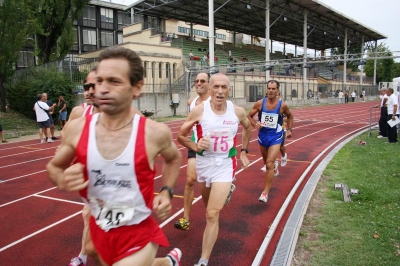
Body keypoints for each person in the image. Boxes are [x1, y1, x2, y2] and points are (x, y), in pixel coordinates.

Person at [47, 46, 182, 266]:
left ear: (137, 87)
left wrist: (166, 192)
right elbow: (53, 167)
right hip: (99, 227)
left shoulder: (154, 133)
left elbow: (174, 158)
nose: (102, 89)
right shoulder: (76, 129)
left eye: (114, 81)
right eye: (99, 81)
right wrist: (61, 178)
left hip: (138, 231)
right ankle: (166, 263)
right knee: (92, 251)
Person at [177, 73, 251, 266]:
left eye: (224, 87)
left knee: (212, 213)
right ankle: (223, 195)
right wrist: (195, 146)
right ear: (210, 89)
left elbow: (248, 127)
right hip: (204, 164)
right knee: (209, 209)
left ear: (229, 90)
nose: (219, 91)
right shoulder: (199, 111)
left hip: (225, 164)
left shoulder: (237, 111)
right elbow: (181, 136)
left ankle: (203, 260)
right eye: (216, 87)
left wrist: (244, 151)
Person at [174, 73, 212, 231]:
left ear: (209, 84)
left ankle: (212, 213)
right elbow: (188, 125)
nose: (199, 83)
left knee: (208, 185)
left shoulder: (215, 101)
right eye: (196, 81)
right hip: (196, 146)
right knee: (190, 180)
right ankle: (186, 219)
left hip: (213, 148)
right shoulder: (192, 102)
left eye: (202, 81)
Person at [246, 80, 293, 203]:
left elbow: (290, 116)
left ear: (278, 90)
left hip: (276, 136)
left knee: (269, 164)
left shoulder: (282, 105)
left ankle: (265, 193)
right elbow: (249, 116)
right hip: (263, 136)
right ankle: (274, 168)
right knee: (267, 163)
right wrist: (255, 124)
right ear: (266, 89)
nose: (271, 91)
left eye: (273, 89)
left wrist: (289, 129)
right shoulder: (260, 103)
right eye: (269, 88)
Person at [260, 90, 288, 174]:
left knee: (281, 147)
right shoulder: (265, 104)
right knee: (269, 149)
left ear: (279, 96)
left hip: (280, 130)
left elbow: (288, 117)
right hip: (268, 132)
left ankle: (284, 156)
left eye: (278, 96)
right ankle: (273, 164)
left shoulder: (282, 106)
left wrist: (279, 119)